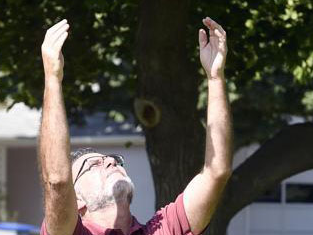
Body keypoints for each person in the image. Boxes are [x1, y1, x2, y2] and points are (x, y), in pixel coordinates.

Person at [39, 17, 233, 235]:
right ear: (78, 199)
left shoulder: (163, 228)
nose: (111, 161)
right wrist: (53, 79)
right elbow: (57, 180)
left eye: (111, 158)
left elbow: (217, 171)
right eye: (94, 164)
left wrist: (216, 78)